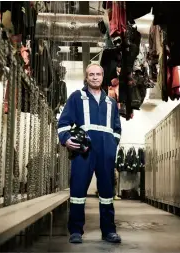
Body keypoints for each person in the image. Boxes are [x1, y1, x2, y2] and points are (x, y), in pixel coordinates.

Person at [57, 63, 122, 244]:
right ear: (86, 77)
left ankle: (109, 230)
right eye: (91, 74)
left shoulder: (111, 102)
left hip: (105, 153)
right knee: (77, 192)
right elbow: (63, 122)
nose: (94, 77)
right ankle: (76, 230)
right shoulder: (77, 97)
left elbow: (117, 128)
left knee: (107, 192)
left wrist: (112, 145)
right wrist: (65, 138)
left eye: (98, 74)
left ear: (103, 77)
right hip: (83, 151)